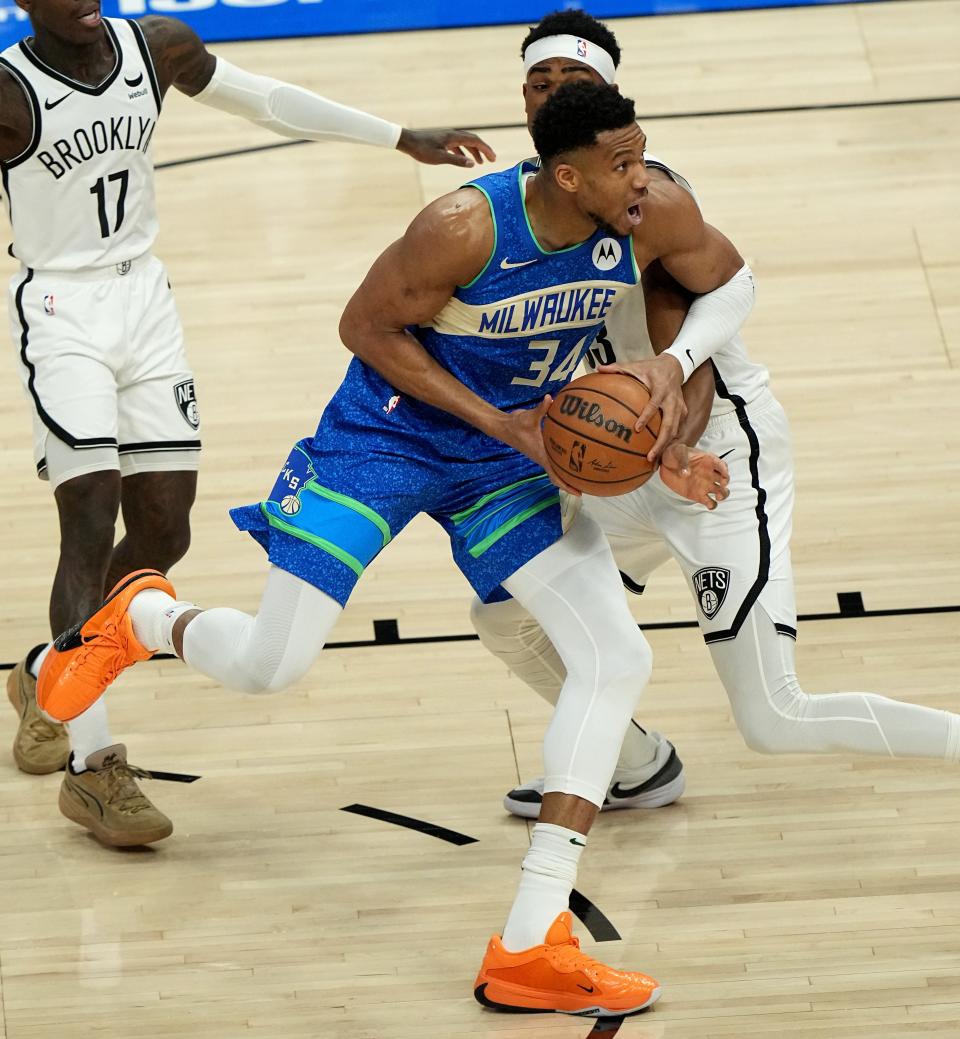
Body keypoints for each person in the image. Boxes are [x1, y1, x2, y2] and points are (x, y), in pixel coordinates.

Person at [38, 82, 745, 1015]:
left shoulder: (652, 210)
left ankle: (531, 943)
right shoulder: (462, 227)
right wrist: (500, 420)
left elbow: (725, 289)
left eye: (642, 153)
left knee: (615, 654)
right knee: (271, 663)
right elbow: (363, 327)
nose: (640, 177)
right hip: (390, 436)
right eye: (620, 164)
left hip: (506, 454)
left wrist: (675, 434)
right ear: (565, 176)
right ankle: (147, 617)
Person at [2, 1, 495, 847]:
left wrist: (398, 135)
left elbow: (261, 98)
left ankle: (53, 666)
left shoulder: (155, 45)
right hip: (61, 309)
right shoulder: (10, 92)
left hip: (145, 301)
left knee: (163, 531)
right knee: (88, 516)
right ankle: (92, 767)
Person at [472, 10, 960, 823]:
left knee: (774, 717)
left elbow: (698, 339)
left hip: (714, 461)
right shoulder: (522, 209)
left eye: (576, 82)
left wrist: (678, 440)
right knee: (505, 610)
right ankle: (636, 763)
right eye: (539, 81)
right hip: (625, 460)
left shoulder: (645, 197)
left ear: (614, 97)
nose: (552, 94)